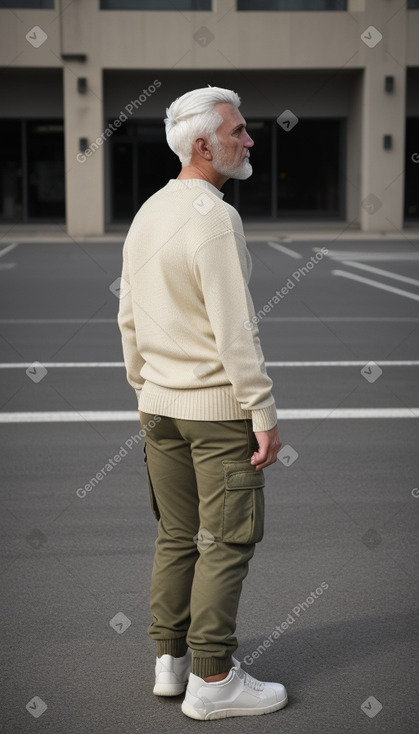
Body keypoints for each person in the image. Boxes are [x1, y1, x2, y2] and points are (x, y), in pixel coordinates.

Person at [117, 86, 288, 720]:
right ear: (202, 144)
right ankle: (213, 680)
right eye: (238, 131)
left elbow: (128, 316)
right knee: (228, 540)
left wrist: (145, 387)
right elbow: (235, 328)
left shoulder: (149, 211)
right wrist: (263, 413)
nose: (248, 140)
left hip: (159, 408)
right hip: (215, 412)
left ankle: (173, 663)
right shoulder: (214, 217)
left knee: (177, 534)